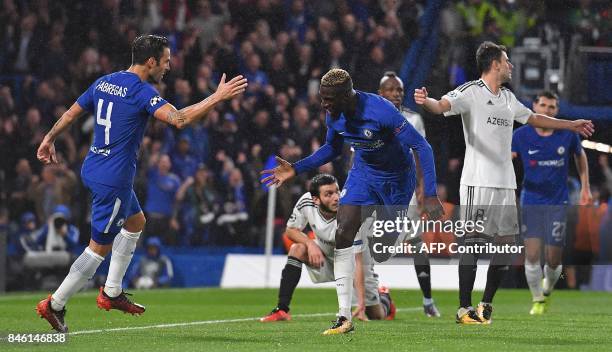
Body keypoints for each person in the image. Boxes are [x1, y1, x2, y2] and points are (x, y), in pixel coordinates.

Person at [35, 34, 247, 333]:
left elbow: (71, 112)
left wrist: (49, 138)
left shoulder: (104, 81)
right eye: (166, 61)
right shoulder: (140, 91)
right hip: (114, 179)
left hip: (94, 166)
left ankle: (112, 290)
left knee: (135, 222)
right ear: (151, 62)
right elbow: (178, 119)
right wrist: (216, 97)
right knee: (97, 249)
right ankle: (55, 304)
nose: (168, 67)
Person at [414, 41, 594, 324]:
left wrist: (570, 124)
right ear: (495, 64)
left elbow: (533, 117)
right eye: (507, 60)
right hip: (478, 182)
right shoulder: (471, 92)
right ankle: (463, 309)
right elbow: (442, 106)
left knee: (506, 247)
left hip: (506, 184)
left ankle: (485, 304)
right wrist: (428, 102)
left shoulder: (508, 98)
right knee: (473, 245)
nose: (510, 65)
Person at [262, 68, 443, 335]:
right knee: (343, 231)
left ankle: (400, 238)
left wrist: (429, 194)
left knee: (382, 252)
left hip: (396, 180)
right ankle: (343, 316)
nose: (324, 104)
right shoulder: (333, 114)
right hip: (363, 174)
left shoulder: (381, 111)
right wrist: (296, 168)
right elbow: (332, 148)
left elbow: (422, 147)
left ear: (347, 95)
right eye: (323, 98)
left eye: (329, 99)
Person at [260, 174, 395, 323]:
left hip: (355, 262)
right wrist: (310, 244)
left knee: (376, 315)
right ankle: (282, 309)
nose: (336, 197)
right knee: (297, 249)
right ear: (316, 200)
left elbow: (357, 259)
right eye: (328, 194)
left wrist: (361, 303)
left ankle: (384, 297)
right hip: (324, 254)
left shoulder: (351, 212)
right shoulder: (306, 202)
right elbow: (291, 230)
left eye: (337, 191)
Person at [512, 91, 592, 315]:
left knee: (554, 260)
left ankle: (547, 288)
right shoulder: (521, 135)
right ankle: (537, 299)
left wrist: (585, 186)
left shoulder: (567, 134)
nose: (547, 110)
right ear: (534, 106)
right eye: (543, 105)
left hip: (557, 201)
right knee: (532, 254)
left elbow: (580, 156)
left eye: (552, 107)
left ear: (557, 111)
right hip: (531, 199)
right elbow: (506, 159)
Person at [378, 71, 440, 318]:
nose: (395, 94)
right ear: (380, 93)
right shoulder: (369, 116)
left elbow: (420, 153)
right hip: (376, 190)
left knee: (416, 244)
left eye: (399, 90)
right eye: (390, 90)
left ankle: (427, 300)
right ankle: (370, 297)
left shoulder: (413, 119)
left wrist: (424, 188)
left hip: (406, 191)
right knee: (367, 244)